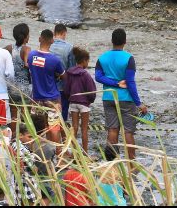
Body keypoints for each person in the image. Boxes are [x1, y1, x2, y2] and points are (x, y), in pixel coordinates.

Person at [95, 28, 148, 160]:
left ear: (112, 41)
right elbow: (130, 82)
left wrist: (114, 83)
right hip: (125, 99)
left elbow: (98, 77)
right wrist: (138, 103)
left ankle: (111, 162)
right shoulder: (128, 58)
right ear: (125, 41)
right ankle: (132, 163)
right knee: (128, 132)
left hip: (108, 97)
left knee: (112, 130)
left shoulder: (102, 58)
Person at [27, 29, 65, 140]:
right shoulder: (54, 60)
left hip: (37, 98)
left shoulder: (32, 56)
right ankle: (57, 151)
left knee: (38, 127)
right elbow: (64, 76)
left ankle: (40, 152)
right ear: (52, 41)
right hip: (52, 98)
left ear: (40, 39)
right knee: (54, 128)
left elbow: (34, 69)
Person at [63, 47, 96, 153]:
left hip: (73, 103)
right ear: (85, 60)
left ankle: (74, 153)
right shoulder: (86, 75)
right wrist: (90, 100)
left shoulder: (69, 73)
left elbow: (66, 89)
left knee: (74, 128)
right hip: (84, 104)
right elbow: (91, 91)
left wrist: (70, 97)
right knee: (84, 129)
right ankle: (85, 153)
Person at [50, 24, 75, 120]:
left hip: (48, 86)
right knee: (63, 113)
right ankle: (62, 132)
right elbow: (72, 69)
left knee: (49, 113)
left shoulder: (47, 45)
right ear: (64, 33)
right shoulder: (69, 48)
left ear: (54, 33)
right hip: (62, 87)